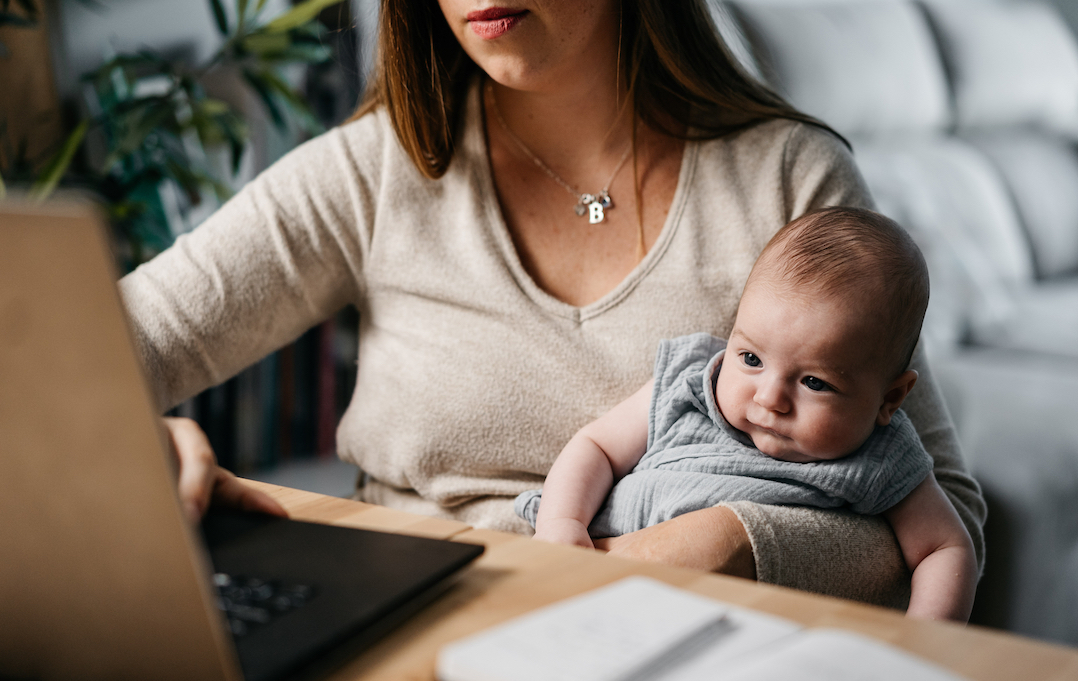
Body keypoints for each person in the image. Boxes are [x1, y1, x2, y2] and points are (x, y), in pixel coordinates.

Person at [124, 0, 986, 607]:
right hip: (402, 622)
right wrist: (115, 436)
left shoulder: (789, 179)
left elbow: (948, 518)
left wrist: (721, 544)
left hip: (689, 649)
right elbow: (80, 351)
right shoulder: (374, 169)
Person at [520, 208, 977, 621]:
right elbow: (595, 446)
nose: (770, 398)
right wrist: (562, 524)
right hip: (585, 573)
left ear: (889, 400)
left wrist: (922, 642)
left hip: (735, 627)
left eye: (814, 383)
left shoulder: (883, 456)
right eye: (752, 360)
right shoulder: (690, 382)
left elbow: (945, 547)